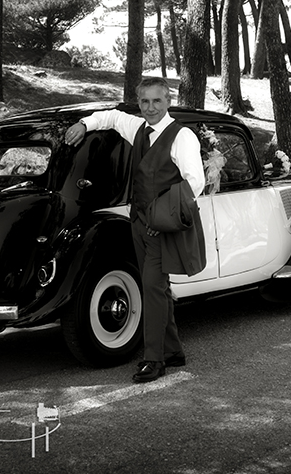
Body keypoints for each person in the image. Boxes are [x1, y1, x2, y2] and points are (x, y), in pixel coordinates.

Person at [63, 77, 206, 383]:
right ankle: (173, 350)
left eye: (157, 101)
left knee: (152, 288)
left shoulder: (182, 137)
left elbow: (195, 182)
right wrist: (85, 125)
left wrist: (160, 216)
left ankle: (154, 359)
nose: (150, 107)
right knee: (158, 288)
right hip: (137, 223)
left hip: (161, 225)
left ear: (168, 101)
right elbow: (112, 117)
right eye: (144, 101)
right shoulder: (138, 129)